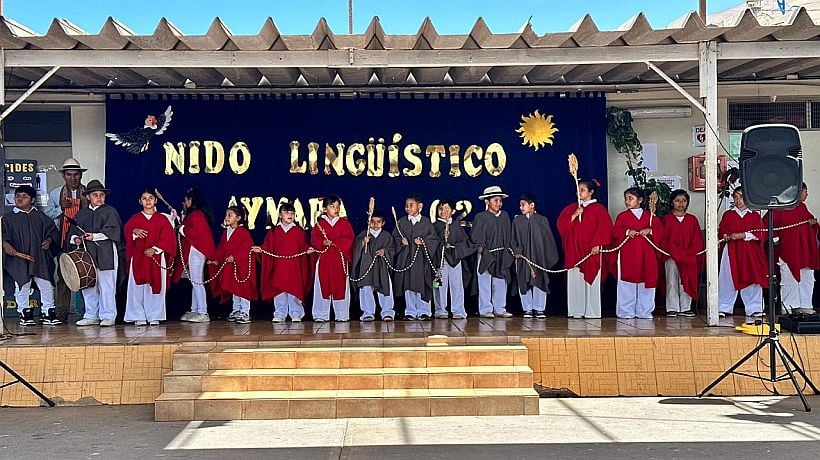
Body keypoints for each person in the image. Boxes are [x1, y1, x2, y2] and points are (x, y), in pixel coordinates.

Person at [2, 185, 60, 325]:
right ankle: (24, 313)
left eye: (24, 196)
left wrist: (48, 241)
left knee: (46, 284)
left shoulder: (40, 216)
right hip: (18, 258)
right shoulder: (8, 218)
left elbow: (52, 231)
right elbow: (2, 235)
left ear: (32, 200)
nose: (20, 199)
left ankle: (48, 312)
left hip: (39, 257)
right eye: (17, 196)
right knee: (22, 284)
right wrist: (6, 245)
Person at [556, 179, 612, 319]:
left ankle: (592, 312)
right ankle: (576, 311)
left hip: (591, 251)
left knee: (591, 280)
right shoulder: (571, 208)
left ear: (591, 192)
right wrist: (574, 215)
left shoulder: (599, 209)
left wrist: (597, 244)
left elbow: (605, 229)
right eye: (578, 189)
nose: (579, 192)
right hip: (574, 251)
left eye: (582, 190)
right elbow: (562, 226)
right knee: (575, 281)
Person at [70, 180, 123, 327]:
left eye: (101, 195)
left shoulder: (110, 211)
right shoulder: (81, 214)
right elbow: (73, 234)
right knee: (89, 284)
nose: (99, 198)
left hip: (106, 252)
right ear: (88, 197)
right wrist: (77, 240)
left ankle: (108, 315)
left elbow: (113, 231)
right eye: (95, 195)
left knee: (107, 286)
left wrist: (95, 236)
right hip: (88, 253)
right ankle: (91, 314)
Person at [123, 189, 177, 326]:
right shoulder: (134, 219)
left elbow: (169, 239)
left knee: (157, 286)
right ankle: (138, 315)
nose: (148, 201)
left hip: (156, 258)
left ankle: (154, 315)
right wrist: (134, 232)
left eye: (151, 198)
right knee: (137, 288)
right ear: (140, 201)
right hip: (139, 258)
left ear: (156, 200)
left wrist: (155, 249)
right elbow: (126, 234)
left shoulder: (162, 219)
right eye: (144, 198)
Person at [43, 158, 87, 322]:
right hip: (63, 238)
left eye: (76, 174)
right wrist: (61, 209)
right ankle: (61, 313)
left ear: (80, 175)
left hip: (82, 240)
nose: (73, 178)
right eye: (69, 174)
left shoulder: (88, 192)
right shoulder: (56, 193)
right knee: (63, 276)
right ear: (64, 176)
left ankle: (84, 312)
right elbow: (47, 215)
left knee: (84, 275)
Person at [611, 187, 664, 319]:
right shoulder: (622, 216)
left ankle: (644, 311)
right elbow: (615, 232)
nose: (627, 201)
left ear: (640, 200)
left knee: (647, 282)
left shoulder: (650, 217)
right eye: (626, 199)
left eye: (631, 198)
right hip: (628, 253)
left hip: (647, 254)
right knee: (626, 283)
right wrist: (627, 232)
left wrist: (650, 230)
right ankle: (626, 311)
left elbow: (661, 231)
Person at [253, 202, 311, 323]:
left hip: (294, 267)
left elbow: (304, 246)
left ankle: (296, 313)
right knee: (279, 291)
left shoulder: (299, 232)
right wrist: (261, 249)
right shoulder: (274, 232)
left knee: (294, 291)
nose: (290, 215)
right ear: (280, 215)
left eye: (292, 213)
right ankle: (280, 313)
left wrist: (308, 249)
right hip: (278, 267)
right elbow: (267, 246)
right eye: (286, 212)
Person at [718, 187, 768, 318]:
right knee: (727, 278)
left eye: (741, 197)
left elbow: (761, 234)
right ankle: (723, 306)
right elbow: (722, 230)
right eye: (735, 197)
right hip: (732, 251)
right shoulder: (728, 215)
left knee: (752, 278)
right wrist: (725, 235)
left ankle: (754, 307)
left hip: (750, 253)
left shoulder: (754, 215)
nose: (738, 200)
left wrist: (743, 235)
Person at [770, 183, 819, 314]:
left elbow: (810, 226)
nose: (806, 194)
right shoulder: (780, 208)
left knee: (807, 278)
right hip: (789, 250)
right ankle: (789, 306)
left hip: (805, 251)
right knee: (789, 279)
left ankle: (805, 304)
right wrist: (775, 238)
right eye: (804, 191)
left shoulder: (803, 207)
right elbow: (768, 223)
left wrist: (813, 224)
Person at [511, 193, 559, 319]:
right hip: (523, 257)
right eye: (520, 205)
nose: (521, 207)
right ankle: (527, 308)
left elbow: (548, 240)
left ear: (532, 205)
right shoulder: (517, 221)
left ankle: (539, 308)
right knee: (523, 280)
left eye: (523, 204)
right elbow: (513, 238)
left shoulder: (542, 220)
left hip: (539, 257)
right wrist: (516, 250)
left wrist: (545, 256)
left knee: (540, 280)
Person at [393, 193, 440, 321]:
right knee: (408, 285)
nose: (408, 208)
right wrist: (400, 242)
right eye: (406, 205)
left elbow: (434, 239)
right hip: (407, 259)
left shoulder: (426, 222)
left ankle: (424, 311)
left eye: (411, 205)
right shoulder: (402, 222)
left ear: (420, 206)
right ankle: (410, 311)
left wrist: (424, 241)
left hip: (422, 260)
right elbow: (395, 238)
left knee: (422, 284)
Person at [471, 186, 514, 319]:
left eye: (500, 201)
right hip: (486, 253)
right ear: (487, 201)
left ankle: (500, 308)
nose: (498, 203)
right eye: (495, 200)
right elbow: (475, 236)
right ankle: (485, 309)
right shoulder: (481, 217)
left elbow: (509, 234)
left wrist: (508, 250)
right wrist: (481, 248)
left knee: (500, 281)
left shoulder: (505, 216)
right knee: (484, 281)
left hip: (502, 253)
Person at [209, 204, 257, 324]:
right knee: (234, 289)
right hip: (231, 266)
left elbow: (246, 248)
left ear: (238, 218)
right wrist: (216, 259)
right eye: (226, 215)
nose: (227, 217)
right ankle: (236, 310)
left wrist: (235, 256)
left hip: (242, 267)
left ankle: (245, 312)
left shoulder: (244, 233)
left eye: (230, 215)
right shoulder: (226, 232)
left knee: (243, 289)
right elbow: (221, 248)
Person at [174, 188, 216, 323]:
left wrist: (181, 228)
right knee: (195, 282)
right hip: (195, 250)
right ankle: (195, 309)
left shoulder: (196, 215)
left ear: (191, 200)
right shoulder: (196, 214)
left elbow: (195, 234)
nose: (184, 203)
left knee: (197, 281)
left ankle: (203, 312)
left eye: (186, 200)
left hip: (197, 251)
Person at [660, 189, 704, 317]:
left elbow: (697, 240)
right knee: (671, 281)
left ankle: (686, 307)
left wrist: (688, 252)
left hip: (689, 256)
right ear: (672, 202)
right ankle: (672, 307)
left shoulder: (692, 220)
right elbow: (663, 239)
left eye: (684, 201)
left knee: (686, 281)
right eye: (677, 201)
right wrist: (675, 252)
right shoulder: (666, 220)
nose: (681, 204)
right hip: (671, 255)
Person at [310, 195, 354, 322]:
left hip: (339, 259)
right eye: (332, 206)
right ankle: (320, 314)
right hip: (324, 258)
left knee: (341, 285)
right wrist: (323, 242)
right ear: (324, 209)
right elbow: (314, 239)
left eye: (337, 207)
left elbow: (349, 238)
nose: (336, 209)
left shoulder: (344, 223)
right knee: (322, 285)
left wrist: (335, 242)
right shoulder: (319, 224)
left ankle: (342, 314)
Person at [432, 199, 474, 320]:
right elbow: (431, 241)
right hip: (440, 260)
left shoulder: (456, 226)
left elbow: (464, 242)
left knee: (457, 285)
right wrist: (441, 245)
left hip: (455, 259)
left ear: (453, 211)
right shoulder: (434, 226)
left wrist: (454, 247)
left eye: (447, 209)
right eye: (441, 208)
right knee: (439, 285)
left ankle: (458, 310)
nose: (443, 211)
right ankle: (441, 310)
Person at [351, 210, 395, 321]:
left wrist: (384, 252)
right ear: (368, 222)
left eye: (378, 222)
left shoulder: (387, 236)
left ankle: (387, 312)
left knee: (385, 288)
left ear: (383, 223)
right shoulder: (364, 234)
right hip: (366, 266)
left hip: (381, 266)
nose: (375, 225)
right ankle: (367, 312)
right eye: (372, 222)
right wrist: (362, 243)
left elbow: (392, 249)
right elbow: (355, 248)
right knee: (366, 288)